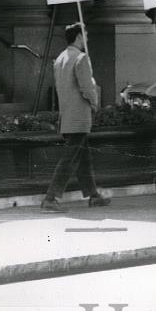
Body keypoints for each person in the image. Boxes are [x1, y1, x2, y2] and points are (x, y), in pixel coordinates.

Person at [41, 23, 110, 212]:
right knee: (70, 157)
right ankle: (50, 198)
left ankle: (93, 195)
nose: (87, 38)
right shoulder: (81, 58)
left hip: (67, 114)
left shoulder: (60, 58)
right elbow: (87, 88)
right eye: (85, 35)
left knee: (82, 156)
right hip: (79, 115)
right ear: (79, 36)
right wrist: (95, 103)